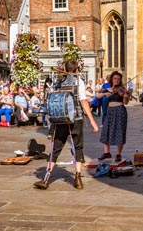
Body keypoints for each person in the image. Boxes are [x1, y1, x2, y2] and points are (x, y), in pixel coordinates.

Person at [33, 59, 99, 190]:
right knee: (78, 146)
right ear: (76, 70)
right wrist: (92, 121)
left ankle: (46, 178)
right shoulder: (78, 81)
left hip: (61, 118)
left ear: (64, 69)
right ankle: (78, 178)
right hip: (76, 118)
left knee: (55, 148)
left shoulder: (58, 81)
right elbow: (83, 101)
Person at [96, 71, 129, 162]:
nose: (117, 80)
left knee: (120, 131)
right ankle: (107, 153)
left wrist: (126, 96)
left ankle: (118, 154)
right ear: (112, 79)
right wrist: (105, 94)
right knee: (105, 131)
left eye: (118, 79)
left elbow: (125, 103)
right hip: (110, 111)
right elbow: (98, 96)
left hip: (120, 111)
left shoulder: (122, 89)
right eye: (115, 79)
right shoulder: (108, 89)